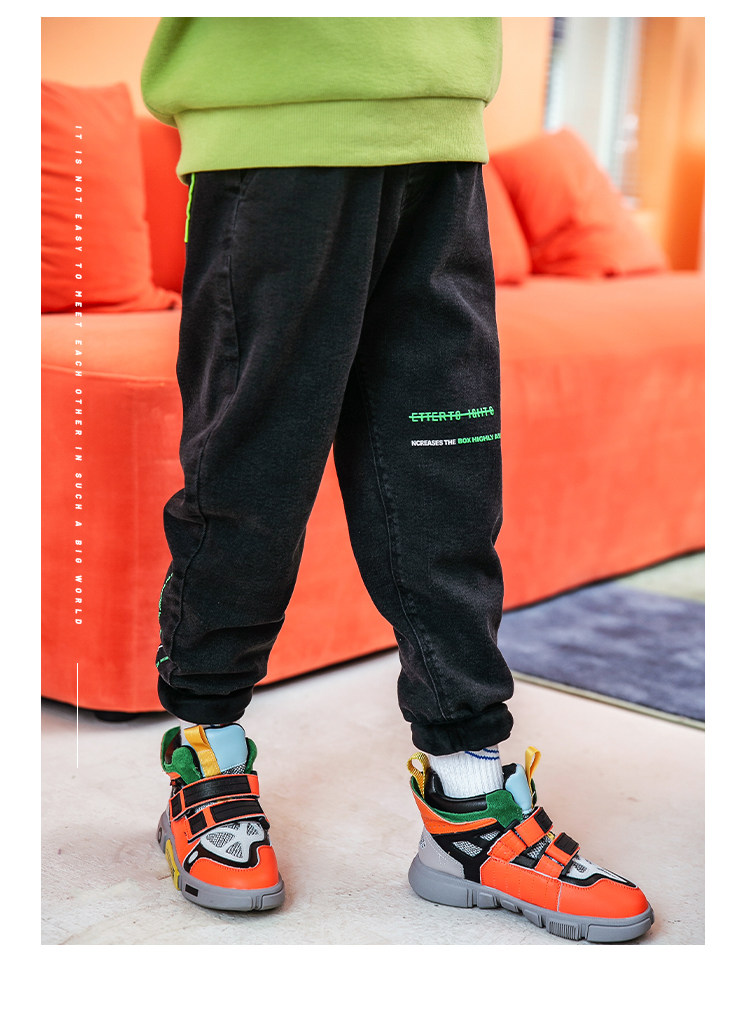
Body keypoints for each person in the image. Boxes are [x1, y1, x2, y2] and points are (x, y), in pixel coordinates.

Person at [141, 16, 654, 942]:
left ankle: (470, 806)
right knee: (252, 479)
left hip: (443, 129)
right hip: (277, 129)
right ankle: (206, 756)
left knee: (446, 486)